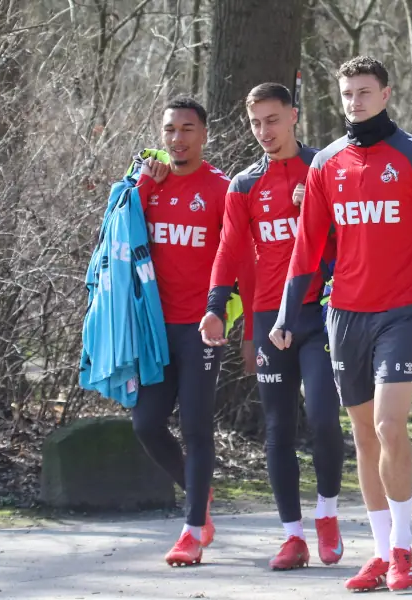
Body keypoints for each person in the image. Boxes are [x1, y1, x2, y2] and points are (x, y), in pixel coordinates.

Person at [268, 56, 412, 592]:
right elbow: (306, 247)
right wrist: (287, 313)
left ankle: (403, 550)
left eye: (364, 91)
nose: (355, 101)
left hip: (403, 312)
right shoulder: (327, 163)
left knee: (388, 425)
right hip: (344, 314)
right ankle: (379, 554)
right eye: (347, 92)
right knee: (363, 435)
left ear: (386, 94)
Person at [199, 82, 345, 571]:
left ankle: (327, 514)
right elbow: (228, 250)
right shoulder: (243, 185)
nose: (265, 131)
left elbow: (353, 236)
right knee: (279, 429)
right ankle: (292, 537)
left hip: (321, 313)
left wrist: (316, 209)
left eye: (273, 120)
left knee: (324, 417)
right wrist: (218, 306)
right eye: (256, 122)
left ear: (294, 117)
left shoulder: (325, 168)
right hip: (269, 319)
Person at [131, 97, 242, 566]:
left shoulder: (222, 189)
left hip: (200, 328)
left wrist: (229, 316)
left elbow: (238, 259)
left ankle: (193, 529)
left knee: (196, 427)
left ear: (204, 134)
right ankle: (200, 492)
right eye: (170, 130)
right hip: (155, 329)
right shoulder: (148, 185)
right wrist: (142, 182)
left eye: (188, 129)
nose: (178, 138)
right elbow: (120, 234)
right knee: (147, 423)